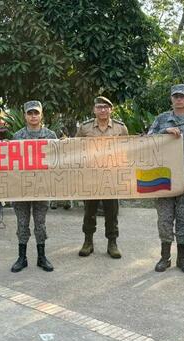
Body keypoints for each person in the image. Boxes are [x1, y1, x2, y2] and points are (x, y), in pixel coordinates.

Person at [147, 84, 184, 274]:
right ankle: (165, 257)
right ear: (171, 99)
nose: (179, 99)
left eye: (182, 96)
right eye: (175, 96)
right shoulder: (162, 119)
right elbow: (147, 141)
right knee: (164, 219)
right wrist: (165, 132)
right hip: (163, 178)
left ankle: (182, 258)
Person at [75, 96, 128, 259]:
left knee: (111, 212)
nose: (103, 110)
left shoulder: (120, 128)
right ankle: (88, 242)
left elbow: (128, 150)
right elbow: (75, 148)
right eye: (99, 107)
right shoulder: (85, 128)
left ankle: (112, 243)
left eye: (106, 107)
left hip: (111, 177)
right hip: (91, 177)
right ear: (94, 110)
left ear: (111, 109)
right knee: (89, 211)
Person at [11, 100, 56, 273]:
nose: (33, 116)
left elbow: (59, 159)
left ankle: (41, 257)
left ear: (41, 115)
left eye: (36, 113)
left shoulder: (51, 136)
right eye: (30, 113)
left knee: (40, 223)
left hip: (42, 187)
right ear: (25, 116)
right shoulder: (17, 136)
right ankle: (22, 258)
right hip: (21, 188)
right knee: (22, 223)